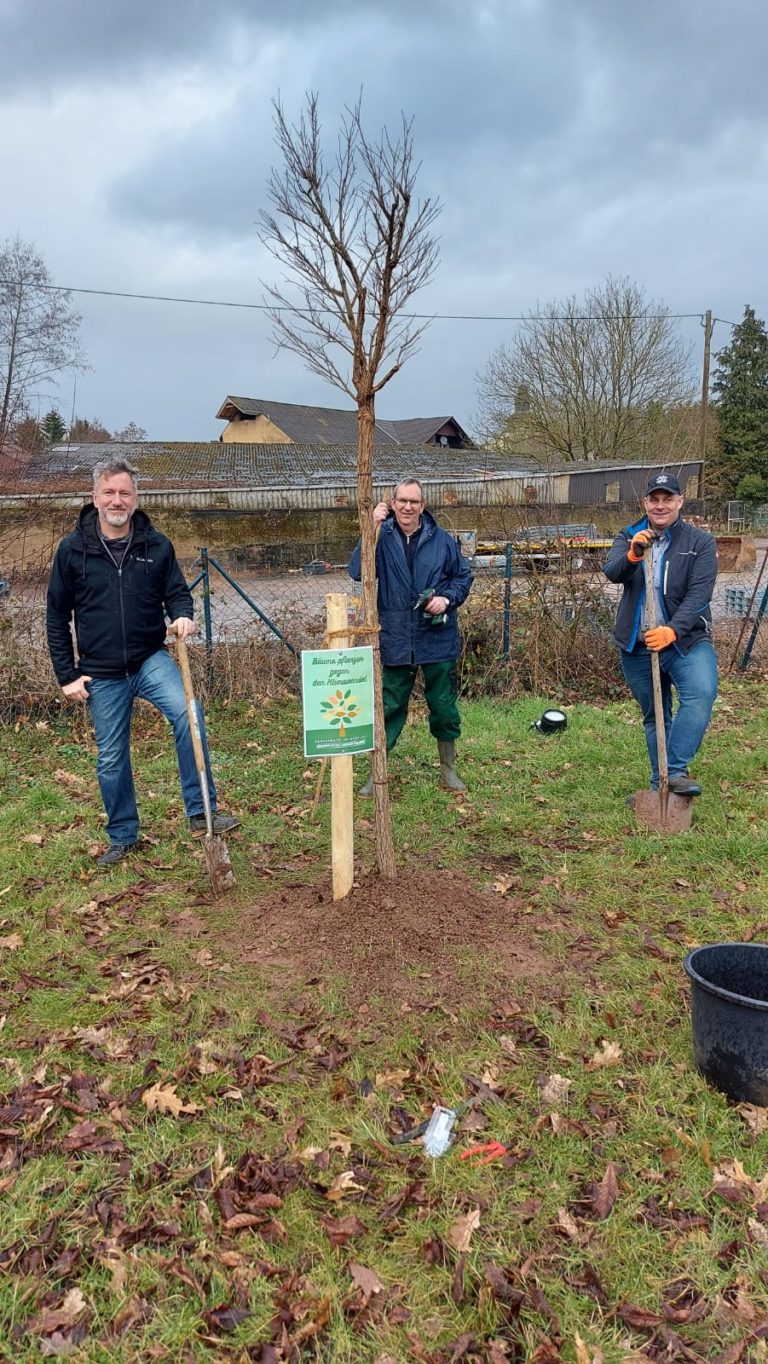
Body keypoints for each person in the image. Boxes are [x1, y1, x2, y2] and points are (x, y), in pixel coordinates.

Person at [46, 458, 239, 866]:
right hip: (100, 671)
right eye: (109, 492)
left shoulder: (157, 545)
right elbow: (56, 617)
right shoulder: (72, 550)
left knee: (189, 714)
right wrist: (67, 674)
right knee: (112, 756)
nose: (117, 500)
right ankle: (123, 836)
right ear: (95, 497)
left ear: (136, 499)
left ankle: (201, 811)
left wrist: (183, 614)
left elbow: (178, 593)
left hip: (150, 658)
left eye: (125, 493)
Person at [349, 476, 474, 793]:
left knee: (443, 706)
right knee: (389, 706)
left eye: (414, 501)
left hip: (437, 636)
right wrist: (370, 529)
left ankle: (448, 769)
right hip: (395, 636)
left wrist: (445, 598)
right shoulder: (382, 535)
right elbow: (357, 571)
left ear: (423, 506)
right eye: (402, 500)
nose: (407, 506)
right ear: (392, 504)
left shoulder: (442, 540)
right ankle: (376, 773)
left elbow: (462, 577)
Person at [604, 471, 718, 797]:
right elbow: (613, 572)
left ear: (680, 501)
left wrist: (673, 629)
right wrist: (633, 554)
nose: (660, 505)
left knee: (700, 693)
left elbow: (699, 594)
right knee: (655, 716)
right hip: (637, 645)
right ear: (645, 503)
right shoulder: (628, 535)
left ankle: (676, 771)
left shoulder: (699, 543)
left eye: (668, 499)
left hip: (686, 640)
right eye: (654, 499)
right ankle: (660, 788)